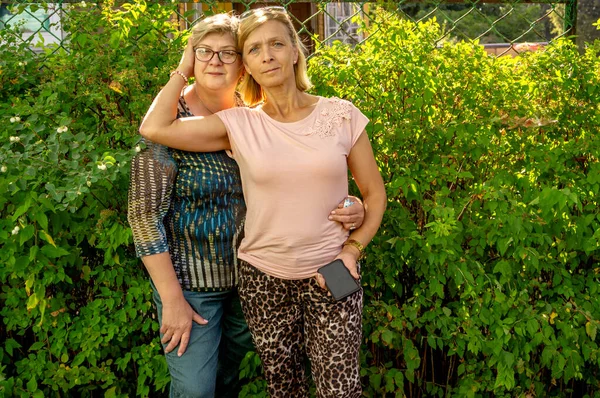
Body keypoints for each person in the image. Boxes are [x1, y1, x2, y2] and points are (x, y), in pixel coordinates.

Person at [138, 7, 386, 398]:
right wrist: (184, 66)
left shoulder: (341, 114)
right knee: (283, 387)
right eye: (254, 49)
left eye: (276, 44)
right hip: (262, 277)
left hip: (333, 268)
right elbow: (154, 128)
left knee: (341, 388)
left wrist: (352, 251)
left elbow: (375, 195)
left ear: (295, 51)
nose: (267, 55)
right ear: (247, 67)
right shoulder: (240, 123)